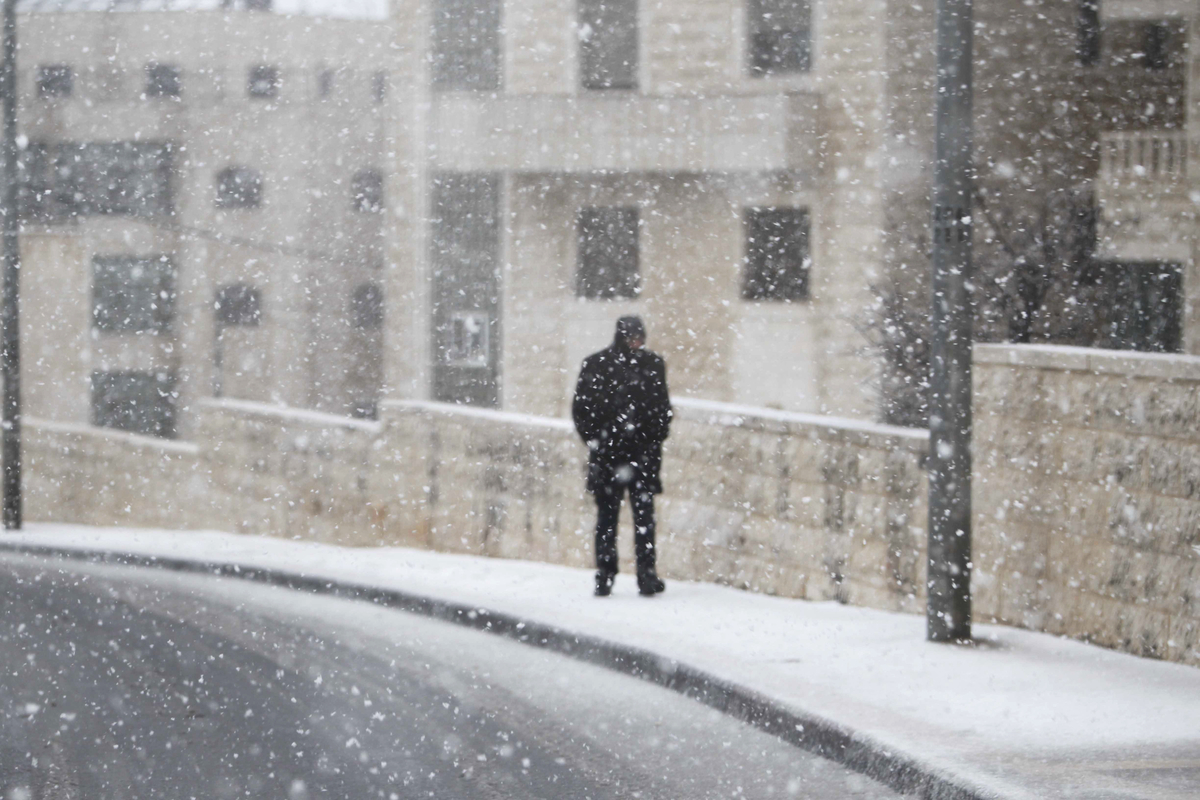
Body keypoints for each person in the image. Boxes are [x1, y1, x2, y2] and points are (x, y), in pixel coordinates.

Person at [572, 316, 672, 597]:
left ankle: (646, 574)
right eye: (631, 338)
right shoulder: (596, 365)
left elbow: (662, 407)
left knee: (644, 517)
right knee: (608, 517)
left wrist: (652, 438)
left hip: (641, 454)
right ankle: (605, 574)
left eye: (639, 338)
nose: (636, 343)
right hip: (611, 456)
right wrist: (598, 441)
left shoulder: (651, 365)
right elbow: (581, 410)